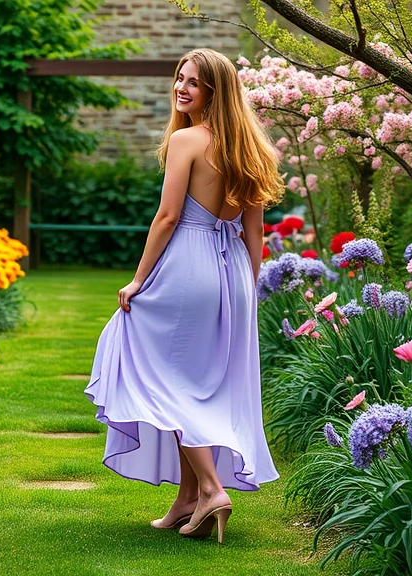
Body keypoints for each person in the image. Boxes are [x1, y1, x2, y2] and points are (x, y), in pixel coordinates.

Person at [84, 48, 283, 543]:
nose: (182, 88)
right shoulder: (253, 147)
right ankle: (186, 499)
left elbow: (168, 218)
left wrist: (136, 280)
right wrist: (244, 289)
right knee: (196, 382)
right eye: (180, 78)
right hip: (233, 273)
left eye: (194, 82)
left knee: (161, 374)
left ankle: (212, 489)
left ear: (214, 90)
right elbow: (254, 234)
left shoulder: (186, 140)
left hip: (189, 263)